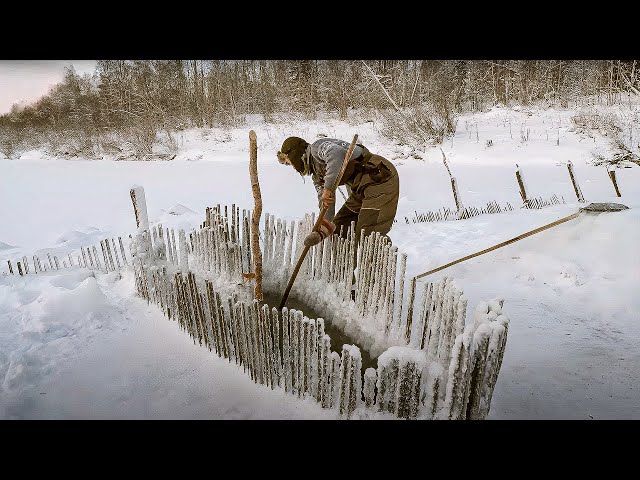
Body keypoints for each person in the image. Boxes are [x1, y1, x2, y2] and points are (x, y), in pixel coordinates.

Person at [277, 136, 399, 246]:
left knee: (368, 234)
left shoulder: (316, 148)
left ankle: (379, 261)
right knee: (340, 228)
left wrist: (328, 188)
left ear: (295, 154)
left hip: (379, 176)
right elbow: (325, 203)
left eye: (290, 162)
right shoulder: (317, 176)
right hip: (361, 188)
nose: (293, 167)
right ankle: (349, 268)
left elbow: (336, 153)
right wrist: (323, 226)